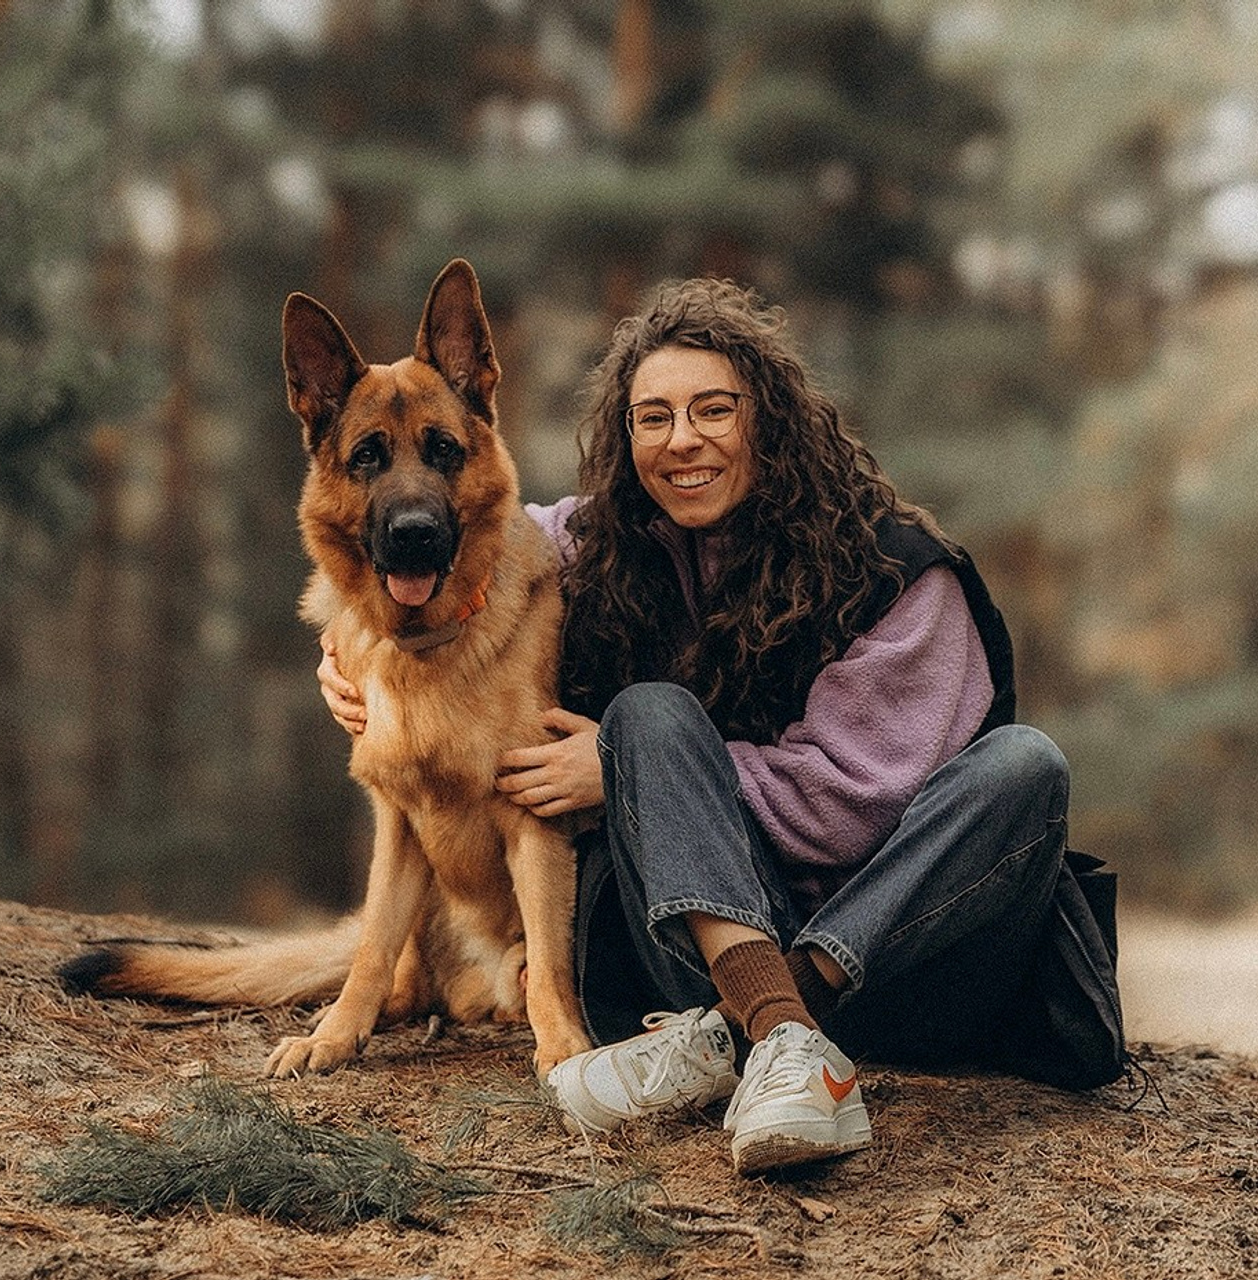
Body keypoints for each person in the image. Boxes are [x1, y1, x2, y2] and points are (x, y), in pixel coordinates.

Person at [318, 275, 1098, 1177]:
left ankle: (761, 1026)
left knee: (1026, 765)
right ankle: (773, 1036)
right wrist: (355, 646)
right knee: (650, 713)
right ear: (627, 439)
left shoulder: (899, 577)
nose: (681, 440)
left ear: (768, 417)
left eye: (712, 410)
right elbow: (478, 538)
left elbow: (857, 808)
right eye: (652, 418)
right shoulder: (615, 545)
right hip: (703, 959)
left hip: (919, 968)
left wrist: (623, 772)